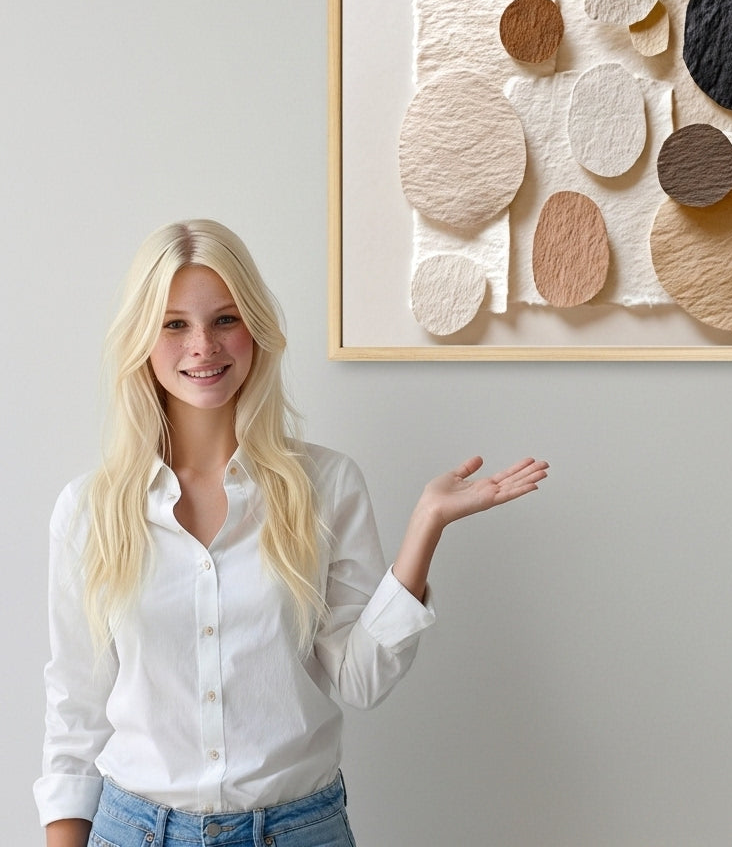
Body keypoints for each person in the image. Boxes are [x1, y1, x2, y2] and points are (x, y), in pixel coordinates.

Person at [35, 219, 548, 847]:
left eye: (225, 319)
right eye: (174, 324)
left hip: (298, 830)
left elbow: (362, 679)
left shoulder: (327, 486)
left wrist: (425, 526)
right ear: (142, 337)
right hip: (132, 830)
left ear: (255, 328)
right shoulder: (89, 511)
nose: (203, 346)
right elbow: (75, 714)